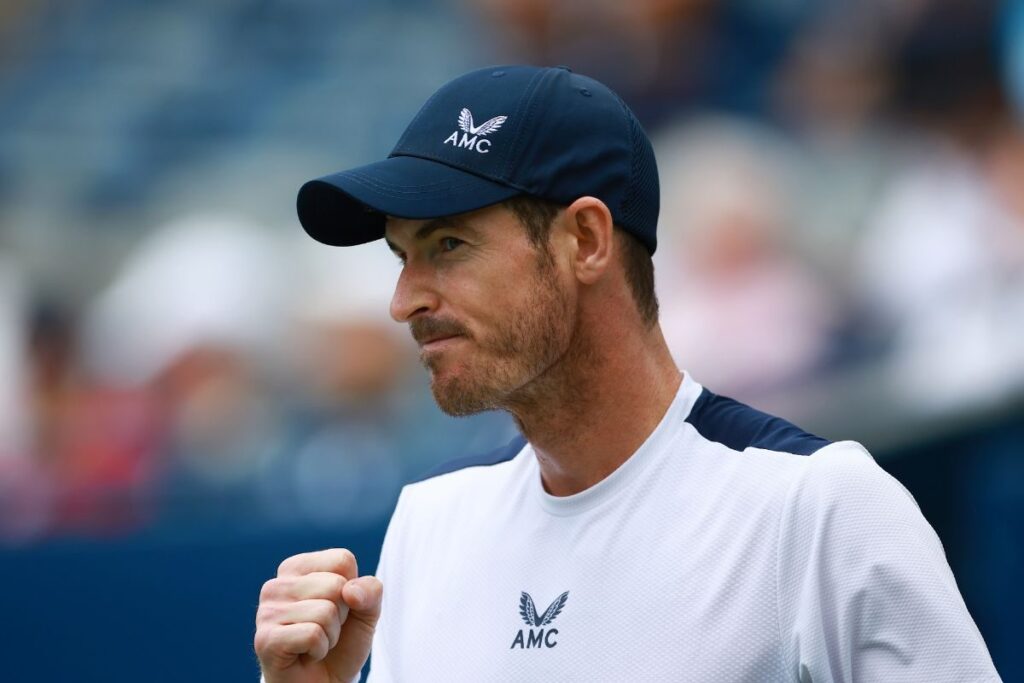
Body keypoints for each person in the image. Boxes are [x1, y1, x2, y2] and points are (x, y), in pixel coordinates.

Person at [254, 65, 1000, 682]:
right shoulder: (430, 522)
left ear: (585, 239)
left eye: (448, 244)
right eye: (400, 255)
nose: (402, 300)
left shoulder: (819, 507)